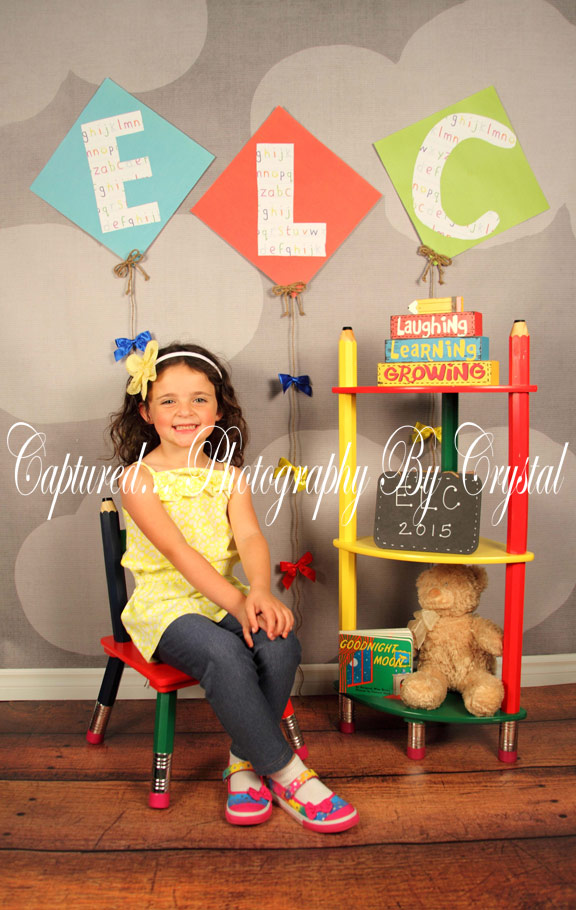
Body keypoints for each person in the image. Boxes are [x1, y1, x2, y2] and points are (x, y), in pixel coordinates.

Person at [109, 339, 359, 833]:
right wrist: (240, 605)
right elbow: (180, 554)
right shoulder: (139, 479)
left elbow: (249, 538)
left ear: (219, 408)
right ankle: (289, 774)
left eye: (199, 399)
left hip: (222, 596)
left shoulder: (229, 477)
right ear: (146, 412)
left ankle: (243, 765)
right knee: (225, 655)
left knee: (280, 642)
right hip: (164, 606)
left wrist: (259, 591)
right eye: (168, 400)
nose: (185, 411)